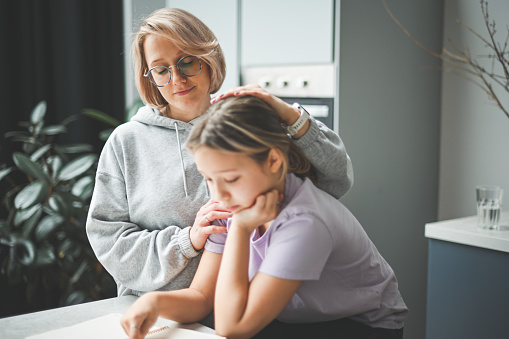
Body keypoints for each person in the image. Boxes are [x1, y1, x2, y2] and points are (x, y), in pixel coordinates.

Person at [86, 6, 353, 303]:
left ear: (208, 58)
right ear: (149, 77)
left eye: (187, 62)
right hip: (157, 310)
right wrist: (185, 241)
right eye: (161, 70)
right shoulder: (126, 142)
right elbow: (107, 239)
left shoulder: (242, 125)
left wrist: (287, 112)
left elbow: (336, 180)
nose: (177, 79)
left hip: (246, 309)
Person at [120, 95, 408, 339]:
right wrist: (154, 302)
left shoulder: (305, 222)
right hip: (296, 317)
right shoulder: (231, 201)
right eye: (209, 179)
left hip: (360, 325)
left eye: (230, 178)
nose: (218, 193)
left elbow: (231, 327)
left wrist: (242, 228)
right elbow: (204, 298)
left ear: (273, 160)